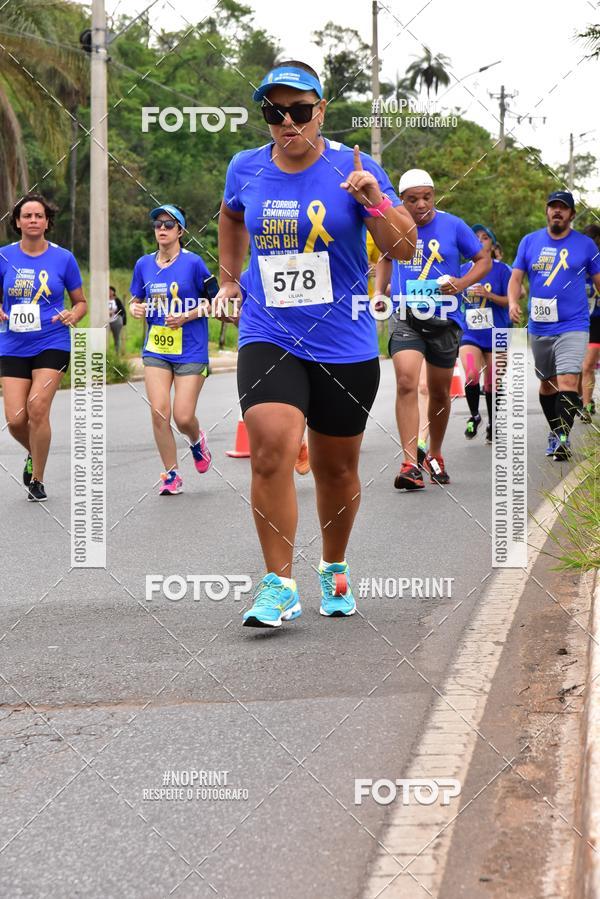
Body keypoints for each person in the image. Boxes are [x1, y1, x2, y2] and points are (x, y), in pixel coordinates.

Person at [216, 60, 415, 627]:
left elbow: (402, 248)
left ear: (321, 110)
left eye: (299, 110)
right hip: (268, 330)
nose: (287, 122)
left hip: (343, 342)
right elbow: (231, 218)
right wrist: (231, 278)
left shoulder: (356, 166)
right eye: (274, 112)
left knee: (336, 470)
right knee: (272, 447)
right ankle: (279, 583)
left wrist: (374, 198)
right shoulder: (245, 168)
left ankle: (333, 567)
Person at [374, 169, 491, 489]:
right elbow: (385, 257)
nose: (421, 204)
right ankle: (410, 461)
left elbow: (483, 260)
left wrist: (462, 283)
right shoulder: (395, 225)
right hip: (406, 315)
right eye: (412, 199)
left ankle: (434, 453)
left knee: (439, 392)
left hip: (445, 319)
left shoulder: (453, 225)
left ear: (434, 195)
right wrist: (379, 292)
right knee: (407, 381)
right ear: (402, 200)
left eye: (427, 197)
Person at [0, 193, 87, 502]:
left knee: (37, 407)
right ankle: (33, 451)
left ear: (48, 222)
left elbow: (81, 303)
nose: (33, 220)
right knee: (15, 419)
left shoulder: (63, 258)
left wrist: (72, 314)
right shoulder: (4, 256)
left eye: (39, 216)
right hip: (12, 342)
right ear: (18, 222)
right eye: (27, 216)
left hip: (52, 340)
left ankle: (37, 478)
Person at [129, 204, 218, 494]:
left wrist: (186, 315)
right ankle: (171, 474)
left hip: (191, 349)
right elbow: (134, 299)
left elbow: (215, 302)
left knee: (182, 416)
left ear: (180, 230)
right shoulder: (143, 264)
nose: (162, 229)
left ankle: (196, 441)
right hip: (156, 348)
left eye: (169, 224)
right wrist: (136, 308)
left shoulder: (194, 264)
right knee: (159, 413)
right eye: (158, 225)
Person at [508, 190, 600, 460]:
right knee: (547, 384)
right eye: (553, 207)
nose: (557, 211)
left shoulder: (586, 246)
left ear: (572, 214)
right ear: (547, 211)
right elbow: (516, 279)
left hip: (574, 323)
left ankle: (562, 437)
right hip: (540, 325)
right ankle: (555, 430)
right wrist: (513, 302)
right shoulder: (529, 242)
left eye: (563, 208)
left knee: (569, 378)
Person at [458, 224, 512, 444]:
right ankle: (474, 415)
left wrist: (489, 295)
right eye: (475, 237)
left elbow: (511, 300)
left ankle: (493, 422)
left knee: (493, 383)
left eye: (484, 237)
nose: (479, 241)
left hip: (497, 333)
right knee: (471, 375)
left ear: (492, 243)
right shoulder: (462, 270)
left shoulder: (502, 270)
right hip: (470, 333)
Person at [580, 224, 600, 422]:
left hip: (597, 322)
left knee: (587, 366)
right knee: (579, 367)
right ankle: (585, 399)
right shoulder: (576, 262)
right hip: (577, 321)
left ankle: (585, 408)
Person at [108, 285, 127, 355]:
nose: (109, 292)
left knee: (116, 337)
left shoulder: (117, 300)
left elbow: (122, 311)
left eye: (110, 291)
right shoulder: (104, 299)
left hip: (116, 320)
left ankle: (117, 353)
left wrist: (114, 312)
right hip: (106, 321)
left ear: (113, 292)